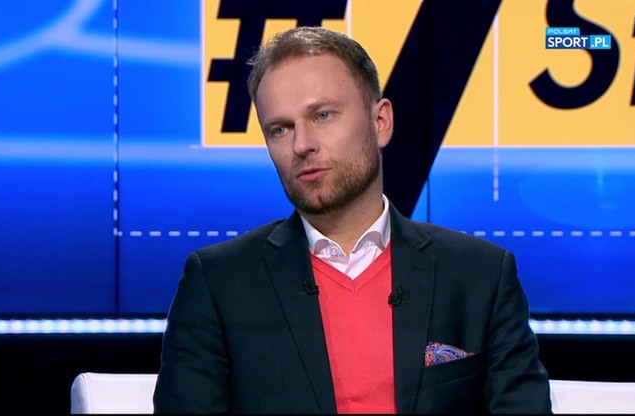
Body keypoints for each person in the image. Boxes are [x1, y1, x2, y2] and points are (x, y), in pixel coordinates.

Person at [153, 26, 551, 414]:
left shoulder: (480, 276)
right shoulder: (218, 284)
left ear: (380, 122)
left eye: (323, 115)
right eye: (280, 129)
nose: (302, 145)